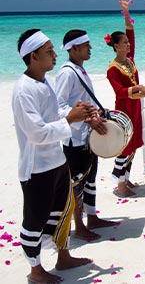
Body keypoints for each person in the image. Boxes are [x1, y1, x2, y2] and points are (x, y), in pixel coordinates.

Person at [12, 29, 93, 284]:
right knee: (35, 219)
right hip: (36, 168)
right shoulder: (24, 89)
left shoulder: (45, 82)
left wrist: (77, 114)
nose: (55, 54)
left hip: (57, 161)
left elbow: (54, 117)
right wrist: (70, 119)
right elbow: (37, 133)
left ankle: (63, 256)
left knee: (62, 211)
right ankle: (35, 270)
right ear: (33, 56)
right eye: (49, 52)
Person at [56, 30, 119, 241]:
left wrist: (96, 115)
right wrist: (86, 118)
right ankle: (79, 225)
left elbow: (81, 101)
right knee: (77, 183)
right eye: (86, 45)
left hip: (88, 136)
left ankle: (92, 217)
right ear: (74, 49)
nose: (90, 48)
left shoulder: (79, 70)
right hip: (75, 139)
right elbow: (59, 106)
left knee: (90, 179)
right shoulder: (66, 73)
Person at [106, 0, 145, 197]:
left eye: (127, 43)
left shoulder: (130, 60)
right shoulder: (113, 69)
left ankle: (126, 178)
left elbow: (131, 33)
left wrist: (126, 13)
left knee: (133, 144)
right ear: (116, 46)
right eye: (124, 43)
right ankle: (119, 183)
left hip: (135, 107)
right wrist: (140, 89)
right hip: (124, 109)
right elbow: (119, 92)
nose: (128, 44)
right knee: (124, 146)